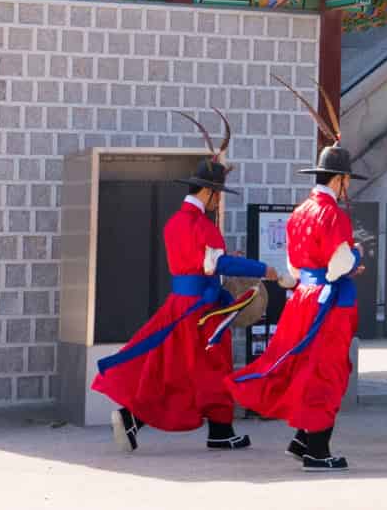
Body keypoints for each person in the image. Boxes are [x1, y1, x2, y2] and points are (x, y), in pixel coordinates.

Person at [96, 111, 286, 453]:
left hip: (179, 305)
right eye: (218, 194)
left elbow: (201, 263)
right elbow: (219, 263)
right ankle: (210, 429)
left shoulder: (175, 223)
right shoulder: (203, 226)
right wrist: (263, 270)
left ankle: (208, 428)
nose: (219, 200)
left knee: (174, 370)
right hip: (204, 311)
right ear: (210, 193)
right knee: (210, 367)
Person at [230, 86, 367, 472]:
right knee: (328, 371)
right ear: (339, 179)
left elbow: (293, 264)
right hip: (329, 302)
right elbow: (340, 263)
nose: (348, 187)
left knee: (304, 365)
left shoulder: (300, 211)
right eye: (347, 180)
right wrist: (356, 255)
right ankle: (317, 451)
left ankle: (303, 439)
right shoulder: (334, 215)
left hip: (303, 296)